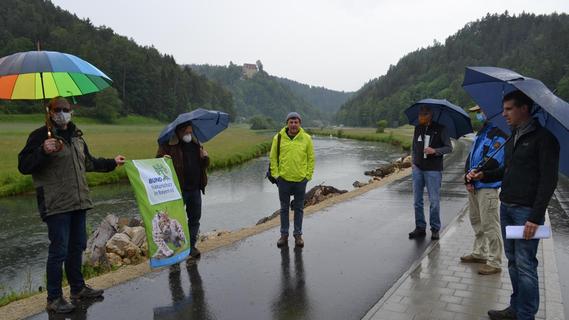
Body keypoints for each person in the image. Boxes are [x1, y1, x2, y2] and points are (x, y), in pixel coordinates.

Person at [18, 97, 125, 314]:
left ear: (72, 112)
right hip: (56, 204)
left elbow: (89, 163)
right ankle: (54, 298)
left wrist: (113, 162)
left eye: (65, 109)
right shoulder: (39, 136)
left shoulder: (77, 137)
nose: (62, 113)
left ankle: (77, 289)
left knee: (77, 246)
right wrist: (42, 151)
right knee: (58, 250)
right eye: (57, 109)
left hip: (79, 201)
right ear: (49, 112)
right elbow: (23, 166)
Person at [467, 90, 559, 320]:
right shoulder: (512, 137)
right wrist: (483, 176)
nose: (504, 114)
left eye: (509, 109)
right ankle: (515, 308)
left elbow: (549, 182)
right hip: (506, 206)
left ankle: (526, 314)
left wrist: (535, 218)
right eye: (504, 109)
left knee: (526, 265)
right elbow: (506, 172)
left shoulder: (545, 139)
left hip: (526, 212)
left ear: (524, 109)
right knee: (514, 262)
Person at [461, 105, 507, 275]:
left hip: (487, 187)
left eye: (481, 110)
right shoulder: (482, 132)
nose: (479, 114)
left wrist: (481, 173)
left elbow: (495, 161)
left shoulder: (500, 133)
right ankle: (480, 252)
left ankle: (494, 261)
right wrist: (467, 175)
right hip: (474, 185)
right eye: (477, 112)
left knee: (489, 224)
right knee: (476, 221)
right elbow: (471, 157)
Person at [156, 122, 209, 259]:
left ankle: (191, 247)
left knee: (194, 219)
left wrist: (205, 157)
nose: (189, 135)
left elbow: (205, 165)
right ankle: (176, 249)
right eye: (186, 132)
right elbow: (157, 163)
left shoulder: (197, 144)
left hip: (196, 188)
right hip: (178, 191)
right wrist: (163, 160)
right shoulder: (168, 145)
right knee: (175, 221)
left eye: (190, 132)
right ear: (178, 132)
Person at [269, 112, 315, 248]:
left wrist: (308, 176)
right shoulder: (278, 138)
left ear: (300, 123)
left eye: (296, 122)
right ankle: (284, 235)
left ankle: (298, 235)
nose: (293, 124)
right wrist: (277, 175)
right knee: (284, 209)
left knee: (299, 208)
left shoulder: (306, 138)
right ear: (287, 123)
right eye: (291, 122)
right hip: (283, 180)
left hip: (301, 180)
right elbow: (272, 158)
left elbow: (311, 159)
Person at [409, 105, 453, 240]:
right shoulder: (418, 128)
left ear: (430, 115)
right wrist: (413, 161)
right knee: (417, 201)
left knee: (434, 201)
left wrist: (435, 151)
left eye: (424, 114)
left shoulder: (441, 129)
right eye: (420, 114)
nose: (421, 116)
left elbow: (449, 148)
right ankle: (420, 227)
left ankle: (435, 228)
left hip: (433, 170)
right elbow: (414, 146)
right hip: (418, 168)